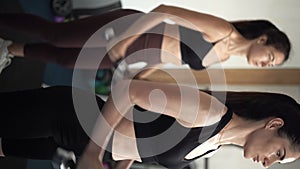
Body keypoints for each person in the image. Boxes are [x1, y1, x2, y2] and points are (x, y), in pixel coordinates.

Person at [0, 80, 300, 169]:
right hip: (69, 117)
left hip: (74, 144)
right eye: (280, 154)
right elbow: (128, 90)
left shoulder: (215, 144)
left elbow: (145, 140)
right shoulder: (210, 114)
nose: (268, 164)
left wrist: (118, 165)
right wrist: (93, 153)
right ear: (274, 124)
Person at [0, 4, 291, 77]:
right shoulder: (223, 31)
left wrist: (144, 73)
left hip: (133, 52)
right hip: (129, 29)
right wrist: (126, 41)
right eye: (271, 58)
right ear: (262, 39)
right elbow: (165, 11)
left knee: (67, 60)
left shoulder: (224, 58)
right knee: (58, 37)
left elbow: (171, 55)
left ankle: (7, 48)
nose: (266, 64)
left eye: (271, 66)